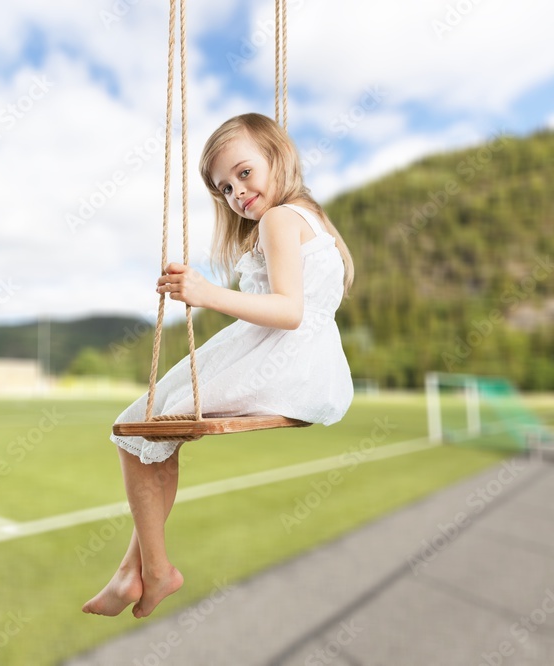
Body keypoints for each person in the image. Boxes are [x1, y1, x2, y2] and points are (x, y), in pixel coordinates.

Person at [82, 112, 355, 619]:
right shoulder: (308, 216)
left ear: (278, 156)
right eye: (224, 188)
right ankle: (133, 571)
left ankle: (155, 571)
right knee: (154, 431)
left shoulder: (279, 218)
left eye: (244, 174)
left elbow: (289, 310)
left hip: (277, 358)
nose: (237, 193)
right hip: (309, 364)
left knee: (134, 427)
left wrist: (207, 293)